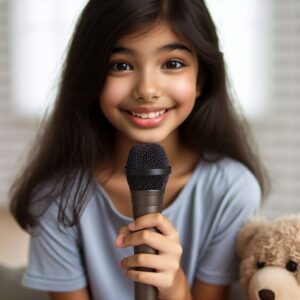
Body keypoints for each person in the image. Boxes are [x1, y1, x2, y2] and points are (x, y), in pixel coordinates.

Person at [10, 0, 269, 299]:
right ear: (90, 76)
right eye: (121, 65)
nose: (147, 89)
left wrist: (176, 290)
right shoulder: (56, 198)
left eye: (172, 63)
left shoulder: (231, 189)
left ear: (201, 79)